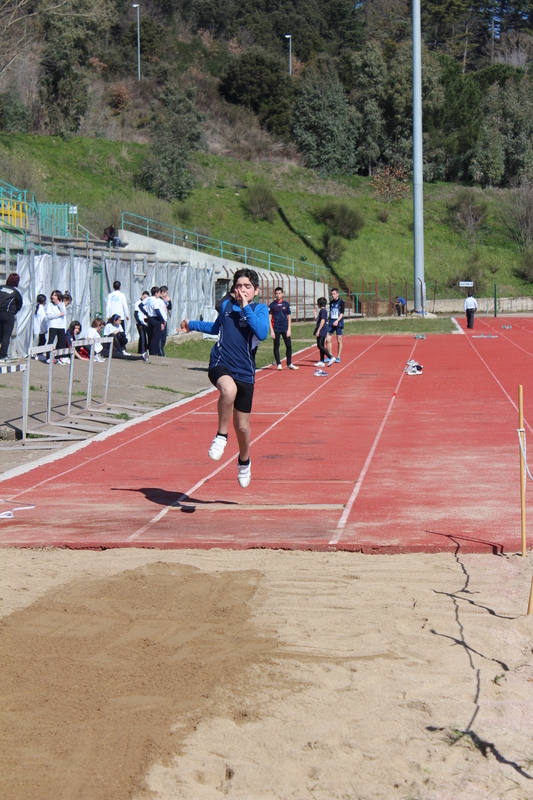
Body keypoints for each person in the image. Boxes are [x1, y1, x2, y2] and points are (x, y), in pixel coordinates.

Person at [180, 268, 269, 488]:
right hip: (220, 362)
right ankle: (221, 435)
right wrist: (192, 324)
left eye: (247, 286)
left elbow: (262, 333)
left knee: (242, 427)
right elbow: (216, 328)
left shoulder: (259, 309)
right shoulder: (227, 307)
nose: (242, 290)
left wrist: (245, 306)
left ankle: (244, 460)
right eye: (238, 286)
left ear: (256, 290)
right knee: (228, 390)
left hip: (245, 371)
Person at [269, 286, 298, 371]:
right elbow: (269, 319)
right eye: (276, 293)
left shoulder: (286, 304)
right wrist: (272, 331)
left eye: (279, 293)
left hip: (285, 328)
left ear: (282, 294)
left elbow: (289, 317)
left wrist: (289, 329)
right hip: (276, 328)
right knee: (276, 345)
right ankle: (278, 363)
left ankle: (289, 363)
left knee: (288, 345)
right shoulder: (272, 305)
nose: (278, 295)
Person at [0, 272, 23, 362]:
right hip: (8, 314)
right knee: (6, 335)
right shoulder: (15, 292)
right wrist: (13, 312)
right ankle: (2, 356)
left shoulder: (1, 288)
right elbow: (19, 304)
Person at [46, 290, 68, 363]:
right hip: (53, 325)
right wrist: (59, 314)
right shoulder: (50, 305)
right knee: (51, 341)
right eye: (53, 295)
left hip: (61, 326)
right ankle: (48, 357)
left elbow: (64, 313)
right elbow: (49, 316)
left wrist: (59, 304)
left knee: (61, 342)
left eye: (55, 295)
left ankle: (58, 357)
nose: (53, 296)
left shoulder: (62, 304)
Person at [144, 286, 167, 356]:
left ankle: (150, 351)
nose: (160, 294)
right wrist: (162, 320)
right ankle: (153, 353)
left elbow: (141, 305)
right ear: (156, 293)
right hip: (155, 319)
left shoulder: (148, 299)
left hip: (150, 319)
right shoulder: (155, 300)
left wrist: (146, 313)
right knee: (155, 337)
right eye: (159, 293)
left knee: (150, 336)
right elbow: (157, 310)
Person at [314, 297, 334, 367]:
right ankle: (322, 361)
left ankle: (330, 357)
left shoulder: (323, 311)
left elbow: (322, 321)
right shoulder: (323, 311)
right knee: (321, 345)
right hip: (322, 329)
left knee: (319, 345)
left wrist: (318, 331)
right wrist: (315, 315)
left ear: (319, 304)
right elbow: (319, 320)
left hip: (322, 329)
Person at [326, 288, 344, 363]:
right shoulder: (331, 303)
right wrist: (328, 320)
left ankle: (338, 357)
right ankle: (330, 356)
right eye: (332, 294)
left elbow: (342, 313)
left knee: (339, 340)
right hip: (331, 323)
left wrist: (337, 321)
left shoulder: (341, 302)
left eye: (334, 294)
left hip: (339, 323)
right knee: (327, 339)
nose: (332, 295)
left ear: (337, 294)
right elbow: (331, 312)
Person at [159, 285, 171, 357]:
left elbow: (170, 307)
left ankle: (161, 352)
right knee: (161, 339)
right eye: (166, 293)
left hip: (164, 321)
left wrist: (169, 301)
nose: (167, 295)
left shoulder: (164, 300)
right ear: (162, 292)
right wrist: (161, 322)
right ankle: (161, 354)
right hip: (161, 322)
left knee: (163, 339)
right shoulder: (159, 300)